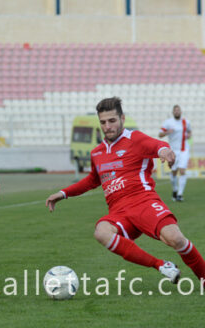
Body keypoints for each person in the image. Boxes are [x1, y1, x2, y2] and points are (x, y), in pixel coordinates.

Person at [46, 97, 205, 285]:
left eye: (112, 120)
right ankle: (161, 265)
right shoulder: (97, 153)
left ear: (122, 118)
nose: (107, 126)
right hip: (119, 212)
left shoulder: (135, 139)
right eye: (103, 122)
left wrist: (165, 151)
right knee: (101, 232)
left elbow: (157, 145)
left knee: (176, 239)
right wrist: (63, 193)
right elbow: (92, 180)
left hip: (144, 202)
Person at [159, 105, 192, 202]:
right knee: (173, 172)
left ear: (181, 112)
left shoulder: (186, 122)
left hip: (184, 150)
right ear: (173, 112)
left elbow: (189, 132)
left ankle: (180, 194)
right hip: (173, 150)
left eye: (178, 110)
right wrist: (167, 132)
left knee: (182, 171)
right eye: (175, 110)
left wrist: (188, 135)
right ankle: (175, 190)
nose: (177, 112)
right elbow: (160, 134)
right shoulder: (168, 122)